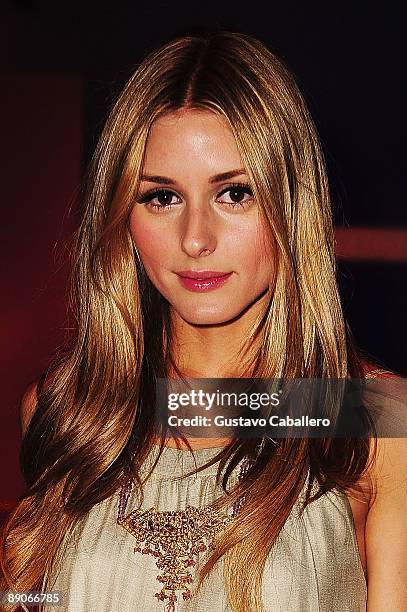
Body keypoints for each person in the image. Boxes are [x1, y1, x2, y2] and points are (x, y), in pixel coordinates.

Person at [1, 29, 406, 612]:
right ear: (122, 217)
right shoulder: (68, 408)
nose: (195, 239)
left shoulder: (373, 419)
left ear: (291, 204)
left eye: (235, 193)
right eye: (161, 197)